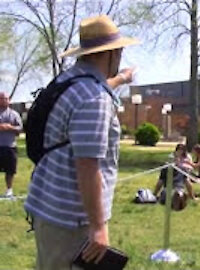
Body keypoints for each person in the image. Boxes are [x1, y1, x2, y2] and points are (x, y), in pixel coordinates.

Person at [24, 15, 138, 270]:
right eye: (119, 50)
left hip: (49, 208)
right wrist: (98, 227)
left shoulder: (70, 81)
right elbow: (87, 164)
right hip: (72, 221)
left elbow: (98, 89)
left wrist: (121, 80)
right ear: (110, 52)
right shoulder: (95, 99)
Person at [0, 92, 22, 197]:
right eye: (1, 98)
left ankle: (9, 190)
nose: (3, 100)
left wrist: (9, 127)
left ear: (9, 100)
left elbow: (20, 129)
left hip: (10, 146)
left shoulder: (14, 114)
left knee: (10, 170)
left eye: (5, 98)